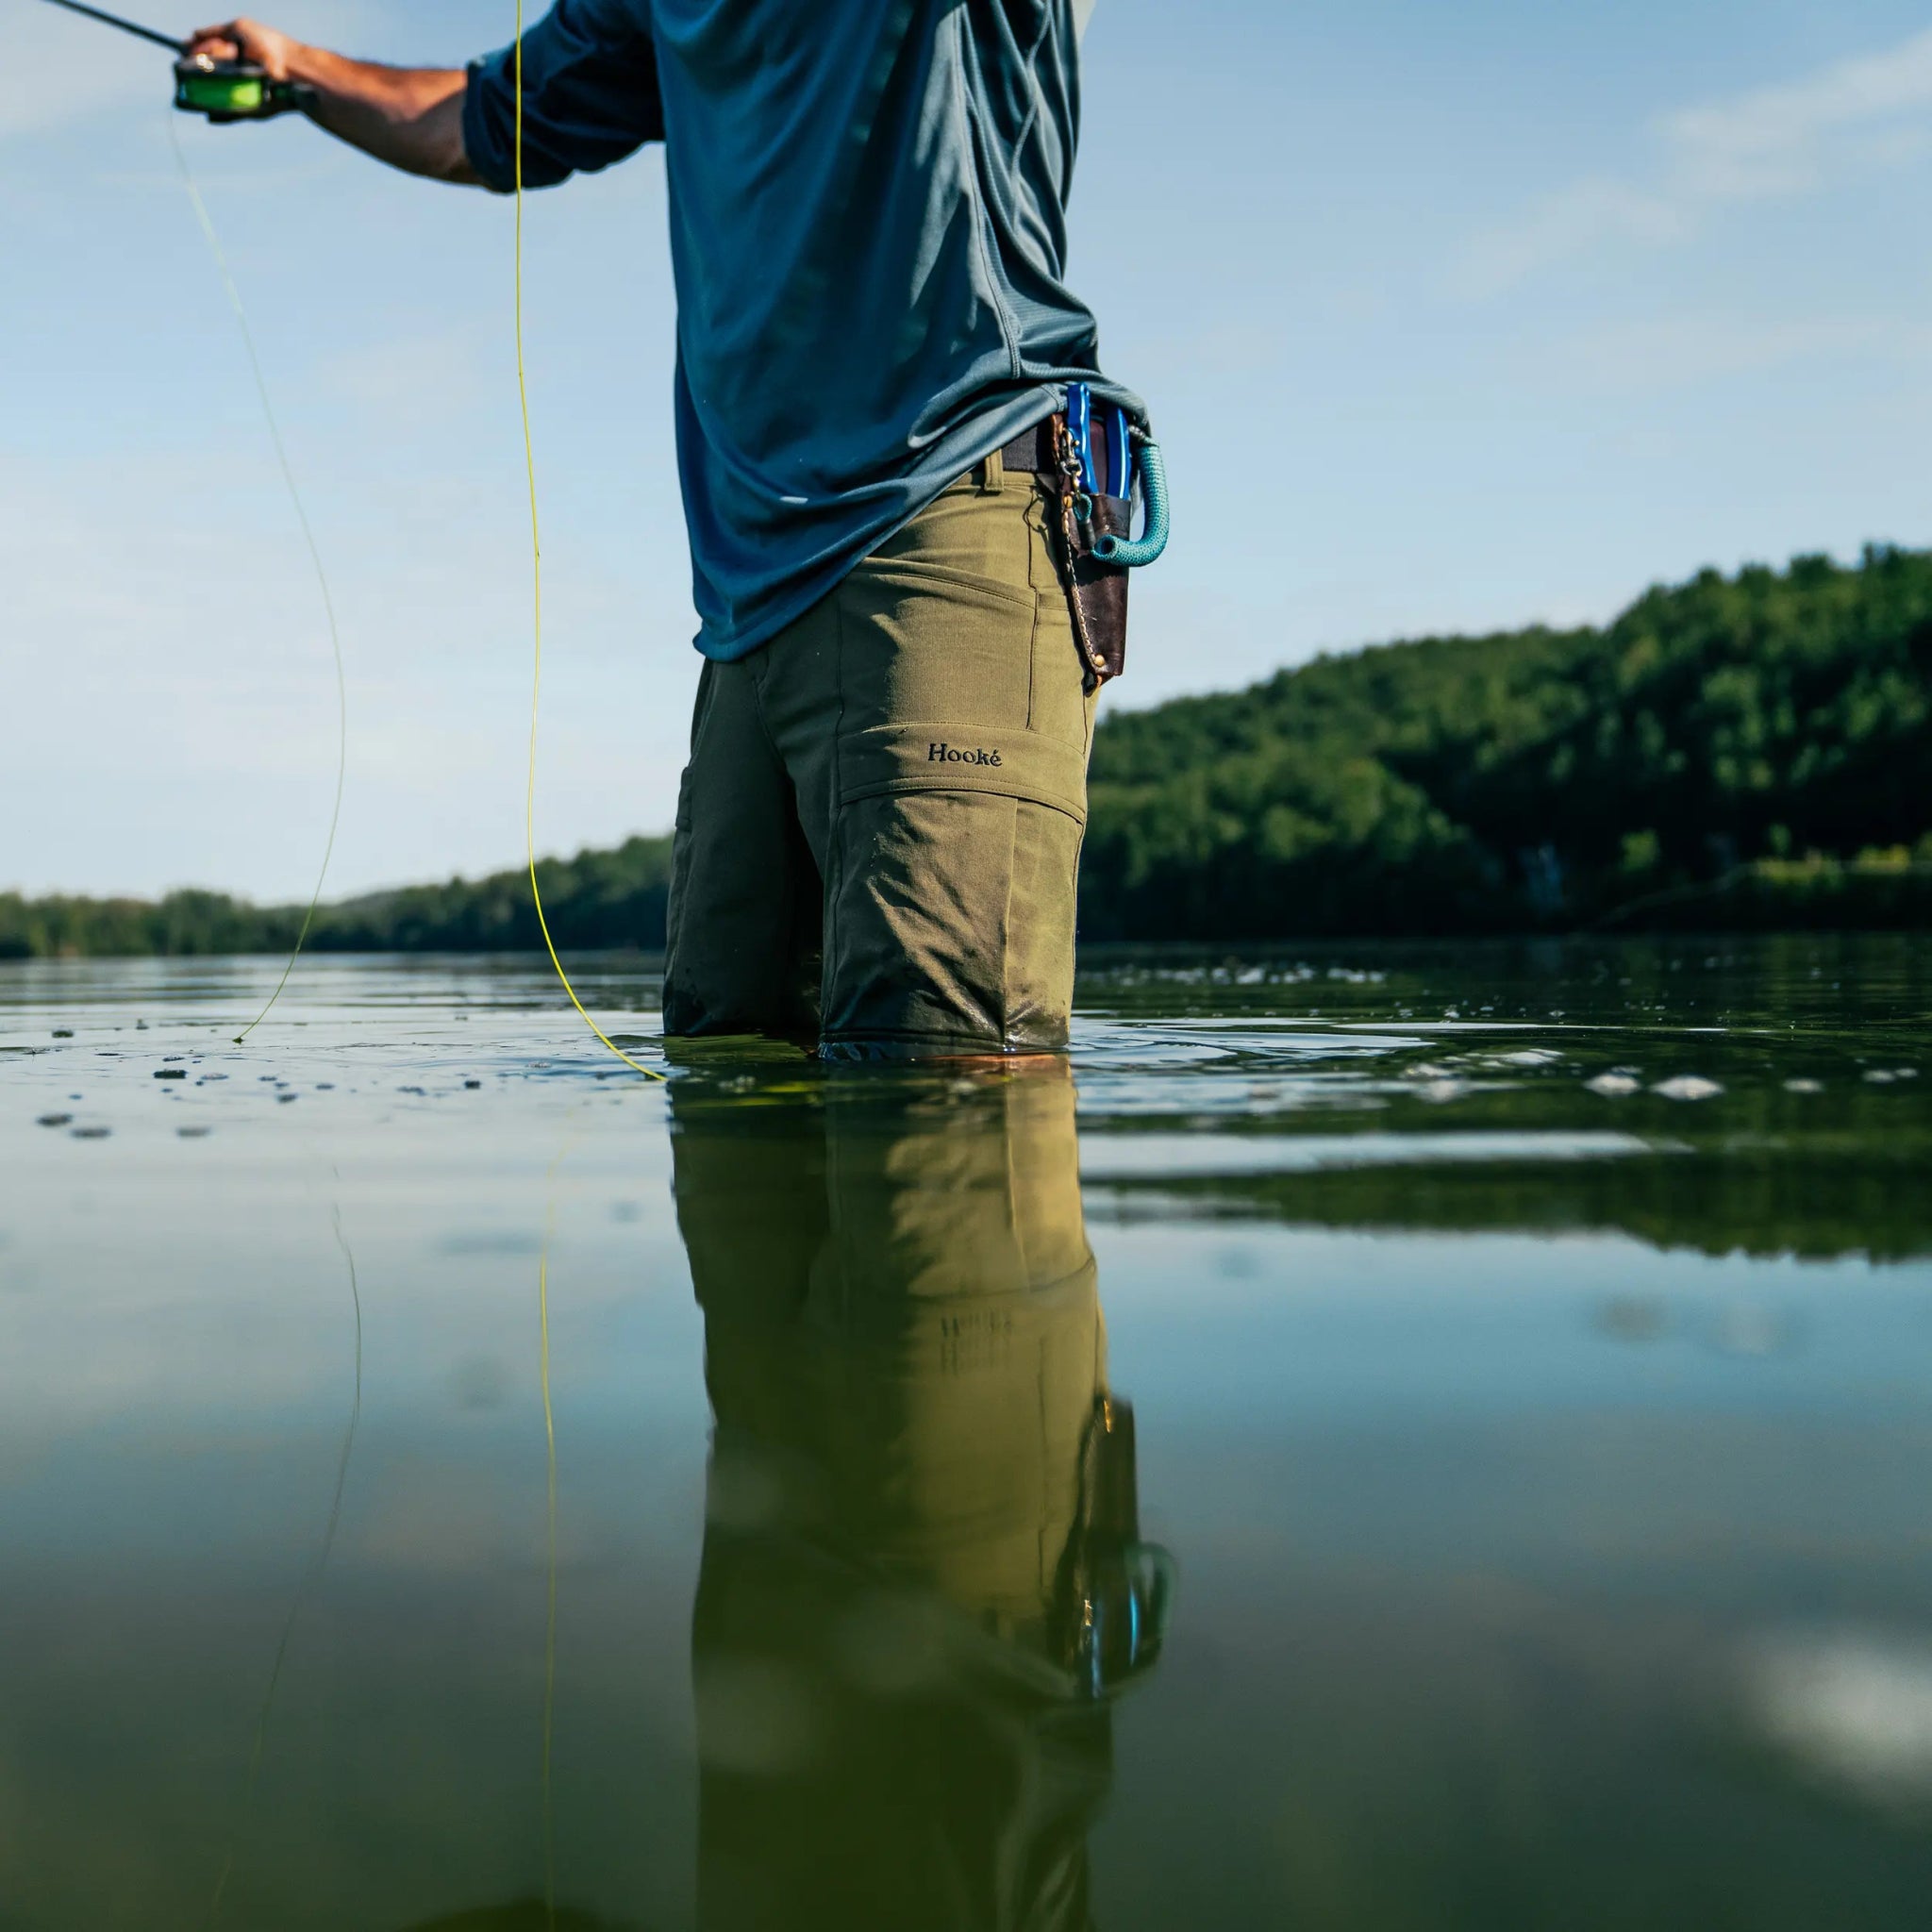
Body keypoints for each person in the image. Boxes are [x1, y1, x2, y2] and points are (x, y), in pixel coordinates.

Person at [186, 5, 1149, 1059]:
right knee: (722, 1059)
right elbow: (477, 117)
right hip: (749, 606)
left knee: (933, 1093)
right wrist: (301, 71)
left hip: (948, 519)